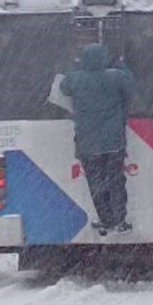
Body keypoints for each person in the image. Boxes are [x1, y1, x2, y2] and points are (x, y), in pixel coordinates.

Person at [60, 43, 135, 235]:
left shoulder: (75, 79)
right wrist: (120, 65)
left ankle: (105, 219)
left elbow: (63, 87)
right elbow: (130, 87)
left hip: (88, 143)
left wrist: (77, 67)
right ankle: (120, 220)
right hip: (113, 142)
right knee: (116, 180)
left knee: (96, 182)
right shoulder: (115, 77)